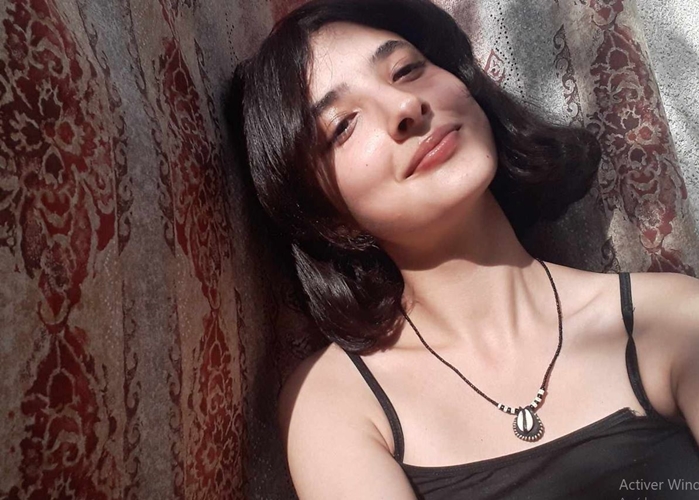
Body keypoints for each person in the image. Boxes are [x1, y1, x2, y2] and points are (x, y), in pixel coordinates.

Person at [226, 0, 699, 498]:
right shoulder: (336, 401)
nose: (405, 107)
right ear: (326, 215)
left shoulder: (670, 317)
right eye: (342, 125)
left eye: (407, 70)